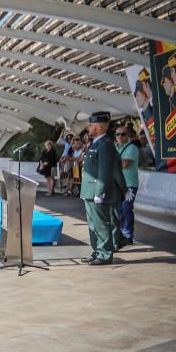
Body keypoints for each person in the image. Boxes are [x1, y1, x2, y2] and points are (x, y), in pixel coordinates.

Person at [80, 112, 125, 266]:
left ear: (99, 127)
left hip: (96, 192)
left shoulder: (105, 144)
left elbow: (104, 171)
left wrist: (100, 192)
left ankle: (105, 254)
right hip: (89, 191)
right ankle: (98, 251)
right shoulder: (97, 143)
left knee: (101, 224)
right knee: (93, 224)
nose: (88, 128)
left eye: (91, 126)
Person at [114, 126, 140, 248]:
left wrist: (111, 162)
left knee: (126, 208)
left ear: (127, 135)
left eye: (123, 134)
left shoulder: (132, 148)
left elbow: (125, 164)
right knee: (119, 210)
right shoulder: (115, 148)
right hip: (118, 184)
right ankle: (121, 235)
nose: (120, 137)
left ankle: (128, 235)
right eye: (118, 134)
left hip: (130, 185)